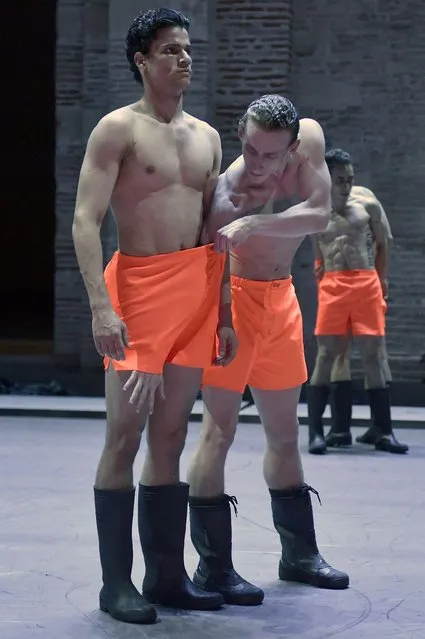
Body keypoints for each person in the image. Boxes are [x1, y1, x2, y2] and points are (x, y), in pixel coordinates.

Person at [72, 8, 238, 625]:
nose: (184, 59)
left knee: (171, 435)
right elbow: (85, 221)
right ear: (142, 60)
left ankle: (166, 575)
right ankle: (115, 585)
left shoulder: (207, 137)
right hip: (136, 296)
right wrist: (100, 306)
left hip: (194, 296)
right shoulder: (117, 130)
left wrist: (222, 313)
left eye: (187, 50)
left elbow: (214, 234)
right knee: (125, 435)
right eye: (170, 50)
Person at [186, 95, 350, 608]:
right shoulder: (227, 197)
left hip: (282, 303)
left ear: (294, 148)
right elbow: (208, 274)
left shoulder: (311, 141)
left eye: (270, 155)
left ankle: (298, 555)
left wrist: (256, 225)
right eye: (250, 150)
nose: (257, 164)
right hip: (232, 309)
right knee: (219, 432)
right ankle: (213, 566)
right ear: (242, 135)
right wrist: (224, 321)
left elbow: (321, 214)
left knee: (285, 435)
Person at [307, 149, 408, 455]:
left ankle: (384, 432)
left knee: (374, 355)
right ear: (327, 178)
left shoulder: (366, 202)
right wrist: (320, 274)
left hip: (365, 281)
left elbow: (384, 240)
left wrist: (382, 277)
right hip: (334, 284)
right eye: (340, 180)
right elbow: (316, 246)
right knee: (326, 355)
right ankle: (316, 433)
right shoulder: (314, 208)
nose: (346, 186)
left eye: (350, 179)